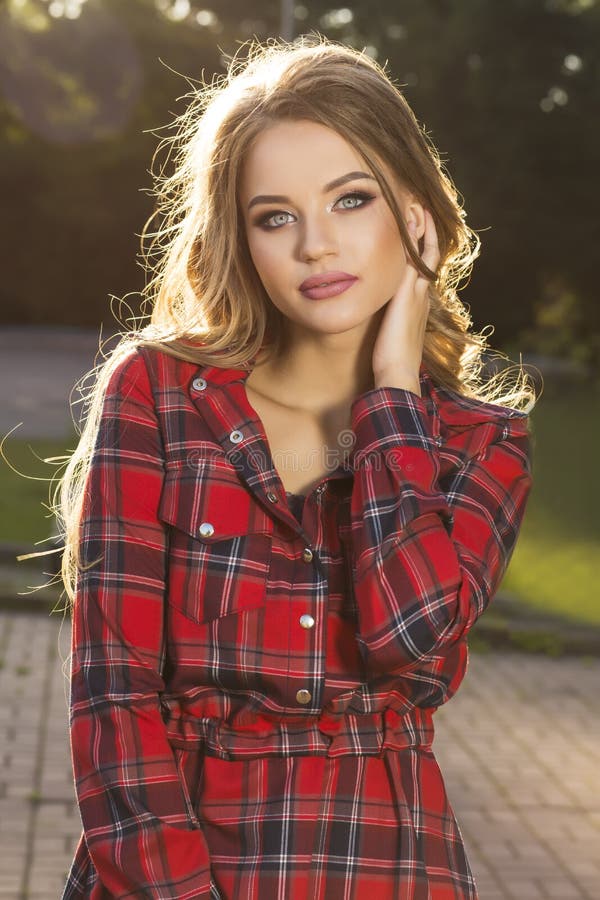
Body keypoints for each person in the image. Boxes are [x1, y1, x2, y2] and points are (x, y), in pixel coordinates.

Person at [58, 35, 535, 899]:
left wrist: (392, 395)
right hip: (167, 876)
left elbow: (411, 637)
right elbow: (112, 694)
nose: (316, 245)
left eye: (351, 200)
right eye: (274, 216)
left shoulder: (482, 444)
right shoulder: (158, 395)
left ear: (417, 214)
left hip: (384, 870)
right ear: (239, 239)